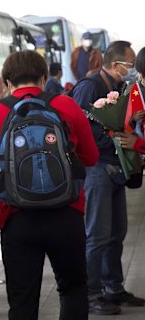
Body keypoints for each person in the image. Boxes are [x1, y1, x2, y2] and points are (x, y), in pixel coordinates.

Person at [0, 50, 99, 320]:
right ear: (43, 77)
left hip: (16, 217)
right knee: (73, 289)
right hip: (66, 213)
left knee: (22, 299)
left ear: (6, 82)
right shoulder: (67, 105)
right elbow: (91, 157)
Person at [72, 40, 145, 315]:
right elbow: (78, 126)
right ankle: (91, 293)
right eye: (129, 64)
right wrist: (112, 139)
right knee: (98, 234)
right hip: (98, 169)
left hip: (115, 169)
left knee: (117, 232)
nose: (131, 70)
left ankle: (114, 287)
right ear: (116, 64)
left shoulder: (118, 88)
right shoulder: (89, 87)